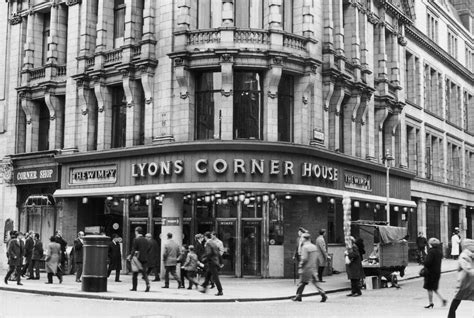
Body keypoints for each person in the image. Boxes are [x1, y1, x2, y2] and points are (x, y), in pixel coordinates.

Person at [292, 232, 327, 303]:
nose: (301, 239)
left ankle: (298, 296)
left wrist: (300, 265)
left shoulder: (305, 247)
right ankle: (322, 293)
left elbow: (304, 258)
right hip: (313, 268)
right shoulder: (314, 247)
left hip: (306, 268)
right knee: (315, 282)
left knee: (302, 283)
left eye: (302, 238)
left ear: (305, 239)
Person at [447, 239, 474, 318]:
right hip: (464, 281)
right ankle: (451, 316)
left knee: (457, 299)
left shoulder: (471, 255)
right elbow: (466, 268)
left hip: (471, 281)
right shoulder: (464, 256)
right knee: (457, 299)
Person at [422, 237, 447, 308]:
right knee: (434, 288)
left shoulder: (431, 252)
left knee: (429, 287)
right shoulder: (439, 252)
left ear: (431, 244)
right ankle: (442, 299)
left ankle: (431, 302)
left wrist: (424, 261)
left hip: (430, 272)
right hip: (437, 272)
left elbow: (427, 262)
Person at [199, 231, 224, 296]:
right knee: (207, 275)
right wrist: (221, 262)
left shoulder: (208, 243)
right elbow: (218, 253)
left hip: (212, 262)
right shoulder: (214, 243)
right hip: (215, 262)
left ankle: (220, 291)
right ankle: (204, 288)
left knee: (215, 277)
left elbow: (209, 253)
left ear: (205, 237)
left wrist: (204, 260)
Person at [129, 226, 150, 292]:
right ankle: (147, 285)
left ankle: (134, 287)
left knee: (135, 274)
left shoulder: (136, 239)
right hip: (145, 258)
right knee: (144, 273)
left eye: (135, 231)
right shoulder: (146, 240)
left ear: (136, 232)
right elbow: (148, 249)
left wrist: (131, 257)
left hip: (137, 259)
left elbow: (133, 249)